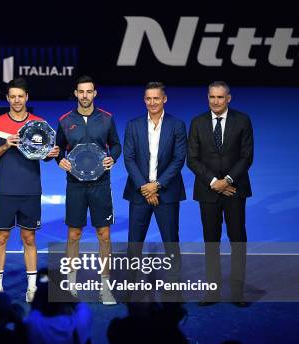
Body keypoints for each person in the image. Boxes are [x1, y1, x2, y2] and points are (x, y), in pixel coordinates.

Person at [0, 77, 59, 302]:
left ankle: (32, 288)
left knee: (29, 238)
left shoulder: (39, 123)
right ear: (7, 98)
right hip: (4, 190)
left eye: (20, 96)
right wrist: (6, 145)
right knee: (1, 237)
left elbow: (44, 156)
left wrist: (49, 154)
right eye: (12, 96)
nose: (16, 100)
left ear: (27, 98)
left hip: (30, 190)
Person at [56, 76, 122, 304]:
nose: (85, 96)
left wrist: (112, 158)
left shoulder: (106, 119)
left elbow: (116, 144)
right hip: (75, 185)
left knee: (104, 234)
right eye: (81, 92)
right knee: (74, 234)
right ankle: (71, 286)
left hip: (100, 184)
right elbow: (58, 149)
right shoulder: (65, 120)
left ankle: (105, 288)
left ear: (95, 94)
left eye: (89, 92)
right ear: (75, 93)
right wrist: (60, 161)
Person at [187, 81, 254, 307]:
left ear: (229, 98)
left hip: (235, 190)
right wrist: (215, 182)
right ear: (208, 97)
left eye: (220, 97)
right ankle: (212, 291)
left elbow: (246, 157)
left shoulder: (242, 120)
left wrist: (227, 181)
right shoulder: (197, 123)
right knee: (211, 242)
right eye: (212, 97)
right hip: (208, 192)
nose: (215, 101)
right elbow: (192, 159)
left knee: (238, 240)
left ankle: (237, 291)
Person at [123, 82, 187, 301]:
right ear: (144, 100)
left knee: (171, 242)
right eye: (148, 99)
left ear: (164, 99)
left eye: (156, 98)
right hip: (139, 193)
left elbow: (179, 159)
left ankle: (173, 291)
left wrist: (157, 185)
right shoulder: (133, 125)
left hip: (166, 193)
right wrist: (145, 187)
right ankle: (129, 289)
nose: (152, 102)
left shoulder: (177, 125)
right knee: (134, 243)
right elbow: (129, 158)